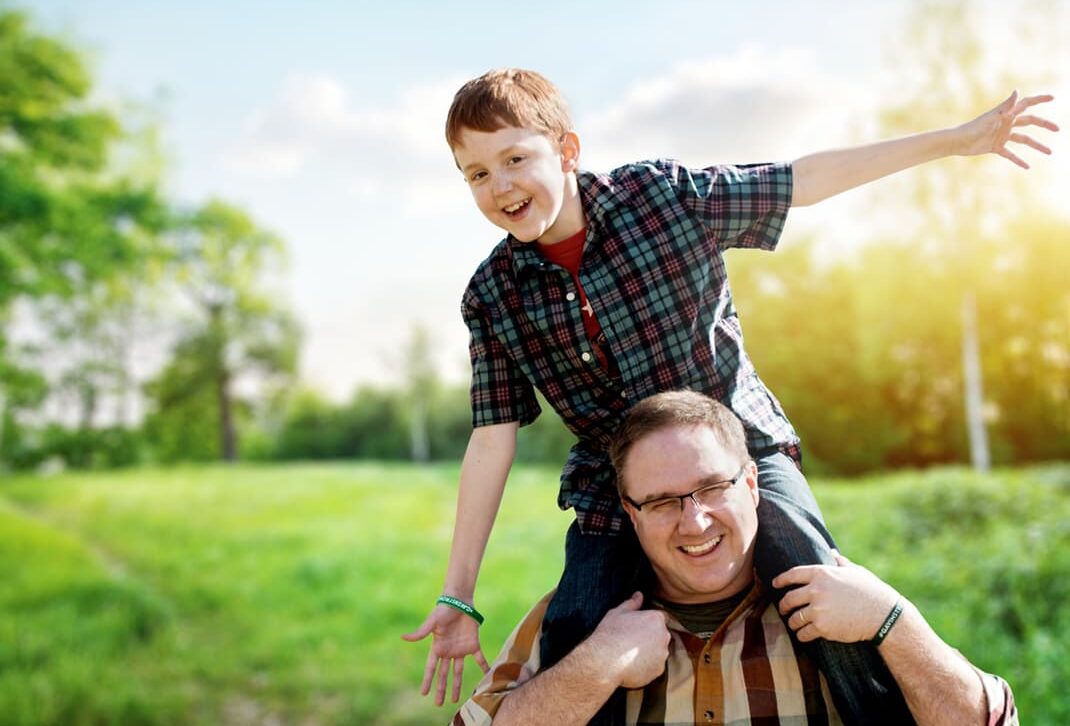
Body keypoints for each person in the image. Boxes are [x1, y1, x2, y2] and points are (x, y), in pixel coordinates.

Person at [401, 67, 1055, 723]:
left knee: (814, 582)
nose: (500, 185)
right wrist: (458, 596)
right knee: (578, 633)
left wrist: (956, 141)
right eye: (477, 174)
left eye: (515, 158)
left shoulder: (661, 199)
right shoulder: (492, 295)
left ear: (567, 151)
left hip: (738, 453)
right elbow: (491, 438)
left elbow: (801, 181)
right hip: (617, 480)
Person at [453, 391, 1018, 726]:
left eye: (711, 488)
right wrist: (595, 667)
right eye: (663, 501)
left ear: (752, 482)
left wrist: (895, 621)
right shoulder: (584, 618)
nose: (694, 521)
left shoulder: (845, 602)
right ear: (628, 510)